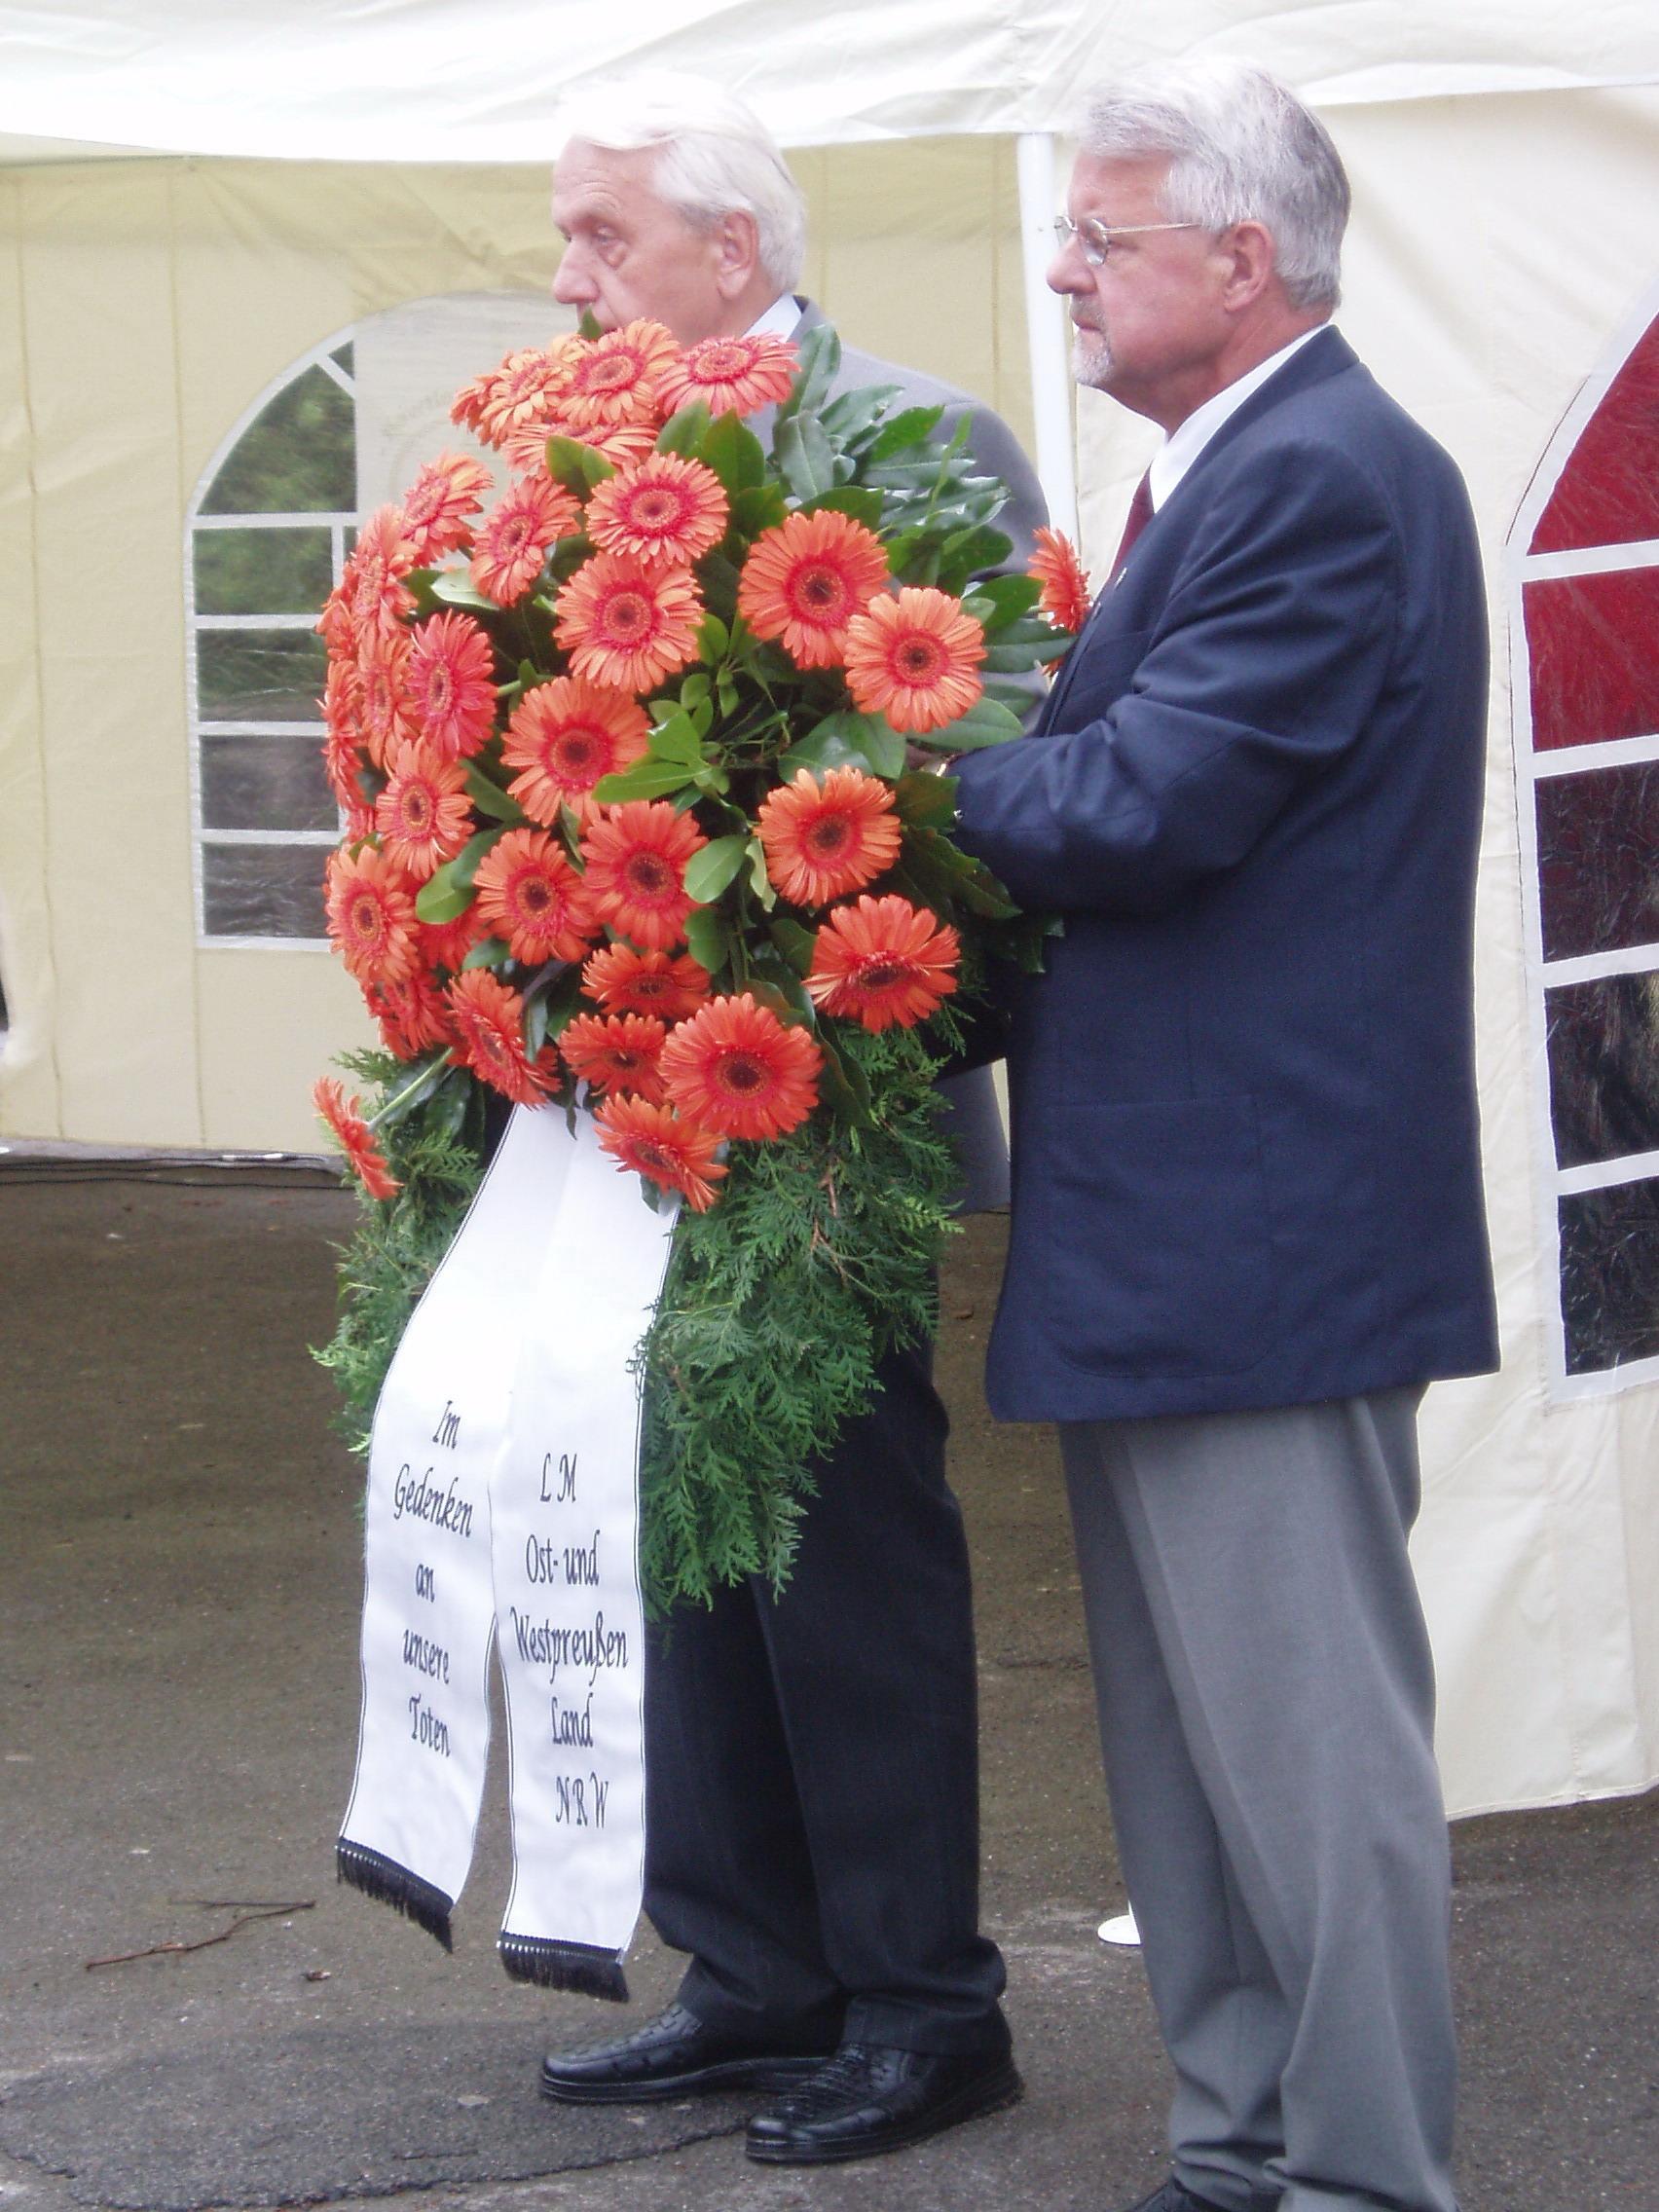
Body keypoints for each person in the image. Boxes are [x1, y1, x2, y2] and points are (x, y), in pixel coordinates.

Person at [949, 60, 1498, 2212]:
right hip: (1179, 1228)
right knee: (1189, 1754)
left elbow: (1150, 805)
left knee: (1305, 1750)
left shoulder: (1326, 474)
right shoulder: (1236, 472)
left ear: (1243, 258)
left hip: (1262, 1233)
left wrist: (885, 769)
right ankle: (1237, 2139)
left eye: (1102, 238)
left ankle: (1355, 2173)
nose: (1065, 274)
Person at [535, 75, 1047, 2167]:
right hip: (630, 1105)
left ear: (731, 251)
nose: (566, 278)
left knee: (840, 1553)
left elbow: (995, 765)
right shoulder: (574, 473)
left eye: (602, 237)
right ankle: (752, 1970)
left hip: (833, 1095)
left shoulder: (923, 443)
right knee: (677, 1532)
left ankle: (926, 2004)